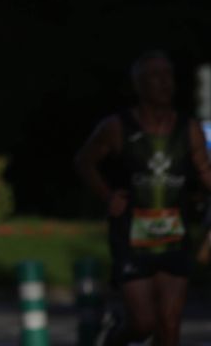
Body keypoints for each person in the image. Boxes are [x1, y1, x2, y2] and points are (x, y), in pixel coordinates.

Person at [75, 51, 211, 346]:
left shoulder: (188, 129)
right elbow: (84, 161)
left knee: (169, 327)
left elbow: (204, 171)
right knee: (143, 323)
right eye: (156, 76)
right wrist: (107, 195)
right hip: (132, 237)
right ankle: (110, 337)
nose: (165, 84)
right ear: (138, 85)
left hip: (175, 235)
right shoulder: (117, 126)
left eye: (169, 76)